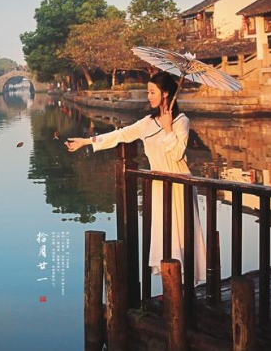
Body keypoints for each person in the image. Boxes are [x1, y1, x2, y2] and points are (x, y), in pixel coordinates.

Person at [65, 71, 206, 283]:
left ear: (165, 93)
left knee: (183, 235)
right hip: (159, 186)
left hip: (180, 185)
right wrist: (86, 142)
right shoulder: (147, 122)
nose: (148, 96)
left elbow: (177, 153)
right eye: (148, 92)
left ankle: (187, 289)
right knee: (165, 237)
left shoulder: (181, 121)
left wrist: (168, 128)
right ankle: (171, 288)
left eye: (152, 92)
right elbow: (120, 134)